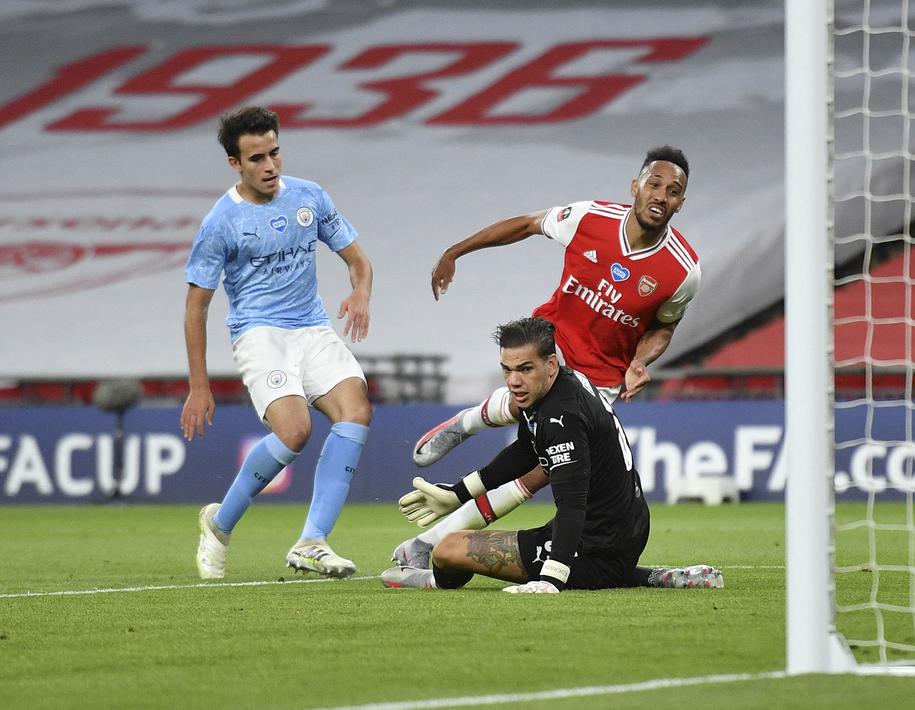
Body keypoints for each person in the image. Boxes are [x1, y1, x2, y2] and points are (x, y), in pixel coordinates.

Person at [394, 146, 701, 569]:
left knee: (541, 472)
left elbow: (664, 327)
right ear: (636, 187)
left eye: (673, 191)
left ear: (681, 203)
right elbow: (525, 224)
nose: (661, 196)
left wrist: (640, 361)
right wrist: (455, 251)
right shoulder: (590, 218)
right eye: (654, 184)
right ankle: (469, 422)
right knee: (527, 428)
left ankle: (431, 541)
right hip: (549, 350)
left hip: (600, 381)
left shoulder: (684, 271)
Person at [381, 317, 722, 591]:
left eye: (525, 369)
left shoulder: (562, 418)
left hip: (594, 544)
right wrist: (458, 494)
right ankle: (646, 577)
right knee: (582, 559)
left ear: (551, 364)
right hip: (625, 530)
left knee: (448, 550)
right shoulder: (563, 387)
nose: (514, 381)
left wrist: (551, 579)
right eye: (507, 369)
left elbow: (573, 504)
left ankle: (432, 581)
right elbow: (527, 451)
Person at [182, 106, 374, 580]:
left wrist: (360, 292)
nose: (269, 166)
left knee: (357, 410)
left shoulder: (309, 197)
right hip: (259, 333)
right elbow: (196, 308)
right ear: (235, 164)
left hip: (311, 327)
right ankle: (219, 524)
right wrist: (199, 385)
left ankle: (312, 541)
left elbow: (357, 260)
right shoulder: (221, 222)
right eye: (256, 159)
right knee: (295, 432)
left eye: (274, 152)